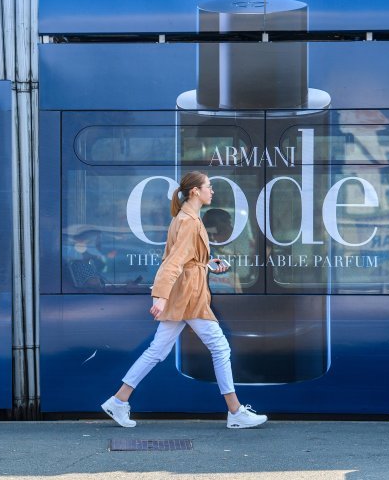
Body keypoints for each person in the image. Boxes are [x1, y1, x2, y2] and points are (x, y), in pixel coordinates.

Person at [101, 171, 267, 429]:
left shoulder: (185, 218)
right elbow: (174, 261)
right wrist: (160, 296)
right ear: (195, 192)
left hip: (186, 293)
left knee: (157, 351)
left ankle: (119, 401)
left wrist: (207, 264)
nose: (212, 191)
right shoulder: (189, 221)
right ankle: (235, 412)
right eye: (208, 187)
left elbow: (187, 259)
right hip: (188, 296)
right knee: (220, 347)